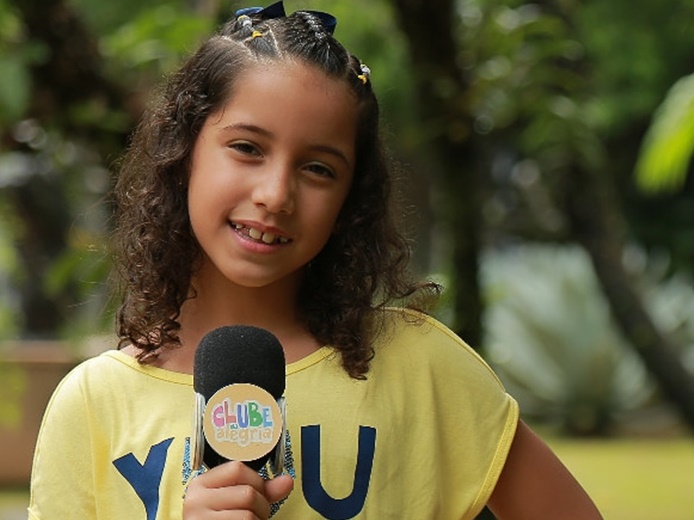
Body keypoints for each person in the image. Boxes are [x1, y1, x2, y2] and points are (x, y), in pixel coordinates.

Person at [27, 2, 604, 519]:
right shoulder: (92, 405)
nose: (276, 194)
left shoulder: (422, 369)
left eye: (318, 168)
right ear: (183, 153)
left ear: (351, 201)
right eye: (248, 148)